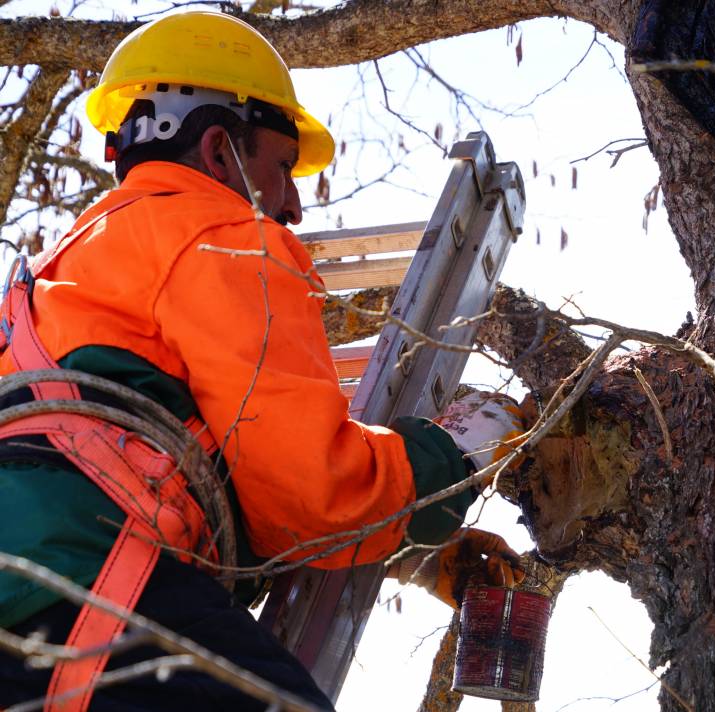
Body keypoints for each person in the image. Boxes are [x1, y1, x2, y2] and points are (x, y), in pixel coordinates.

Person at [0, 11, 522, 711]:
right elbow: (310, 495)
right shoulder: (222, 234)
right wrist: (450, 460)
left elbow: (168, 469)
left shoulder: (72, 263)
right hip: (73, 585)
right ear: (220, 151)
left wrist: (416, 559)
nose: (297, 207)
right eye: (282, 167)